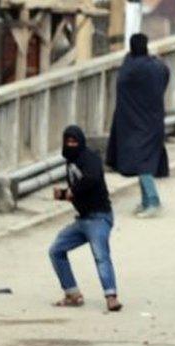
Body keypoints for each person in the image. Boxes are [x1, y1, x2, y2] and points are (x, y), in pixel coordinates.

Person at [50, 126, 122, 312]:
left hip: (99, 217)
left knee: (101, 256)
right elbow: (78, 191)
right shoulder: (70, 162)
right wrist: (63, 194)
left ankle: (111, 296)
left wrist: (71, 191)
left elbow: (91, 179)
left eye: (74, 142)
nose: (71, 145)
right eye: (68, 142)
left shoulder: (89, 158)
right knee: (56, 250)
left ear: (81, 142)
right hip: (82, 220)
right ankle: (72, 293)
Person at [106, 33, 170, 218]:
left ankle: (153, 201)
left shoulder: (130, 69)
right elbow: (165, 76)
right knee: (144, 161)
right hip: (154, 120)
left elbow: (122, 86)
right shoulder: (157, 67)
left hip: (134, 122)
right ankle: (145, 201)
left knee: (142, 163)